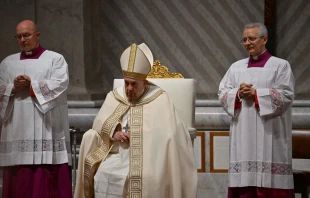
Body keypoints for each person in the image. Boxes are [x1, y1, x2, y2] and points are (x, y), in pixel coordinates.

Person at [74, 43, 197, 198]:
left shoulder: (160, 98)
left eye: (134, 84)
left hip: (150, 156)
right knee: (104, 175)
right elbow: (99, 123)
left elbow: (170, 133)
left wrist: (140, 135)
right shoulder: (115, 96)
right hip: (116, 152)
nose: (129, 89)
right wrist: (114, 132)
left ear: (144, 83)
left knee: (142, 178)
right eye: (126, 83)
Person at [218, 22, 295, 198]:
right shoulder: (235, 67)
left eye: (251, 38)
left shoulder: (280, 66)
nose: (247, 43)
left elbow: (286, 96)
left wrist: (256, 93)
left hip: (271, 135)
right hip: (243, 135)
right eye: (244, 39)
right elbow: (222, 93)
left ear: (264, 39)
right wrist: (237, 93)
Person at [0, 20, 72, 197]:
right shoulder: (7, 63)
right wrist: (13, 87)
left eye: (27, 35)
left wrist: (32, 86)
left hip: (45, 126)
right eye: (19, 37)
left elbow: (60, 84)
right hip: (16, 127)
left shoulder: (55, 59)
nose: (23, 40)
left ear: (37, 35)